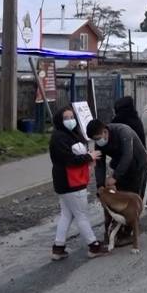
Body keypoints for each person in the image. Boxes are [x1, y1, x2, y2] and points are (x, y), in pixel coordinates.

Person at [49, 107, 109, 260]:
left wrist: (88, 159)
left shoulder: (72, 134)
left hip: (71, 181)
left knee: (67, 215)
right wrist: (89, 157)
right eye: (66, 118)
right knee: (81, 215)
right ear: (60, 121)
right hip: (71, 182)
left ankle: (58, 247)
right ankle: (93, 246)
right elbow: (69, 160)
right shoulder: (59, 138)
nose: (70, 120)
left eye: (72, 117)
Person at [86, 119, 147, 196]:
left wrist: (115, 177)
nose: (97, 141)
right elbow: (100, 165)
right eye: (94, 140)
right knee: (119, 194)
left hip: (138, 164)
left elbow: (127, 156)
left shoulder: (123, 132)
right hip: (120, 166)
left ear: (105, 132)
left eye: (98, 138)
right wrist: (100, 185)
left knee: (134, 197)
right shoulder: (99, 143)